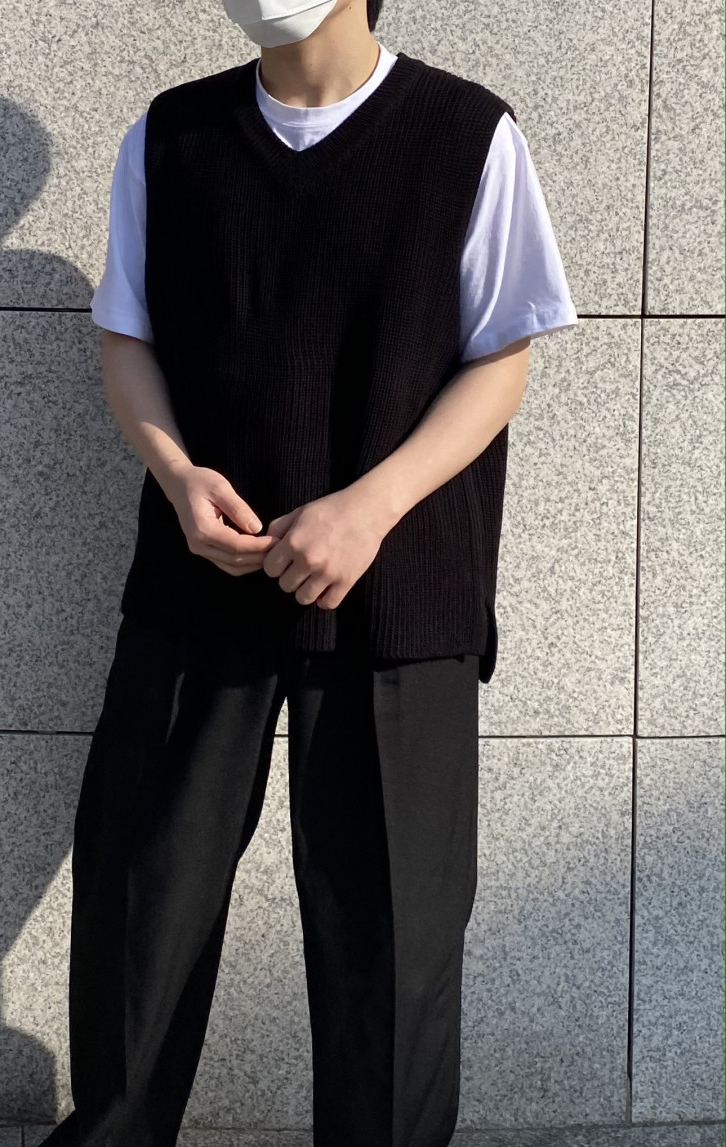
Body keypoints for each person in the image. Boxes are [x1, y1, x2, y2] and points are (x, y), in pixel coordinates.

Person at [40, 2, 578, 1145]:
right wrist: (177, 476)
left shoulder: (464, 132)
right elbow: (128, 338)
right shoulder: (172, 135)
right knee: (140, 899)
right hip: (199, 578)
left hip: (399, 590)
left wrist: (367, 507)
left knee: (392, 934)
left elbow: (501, 356)